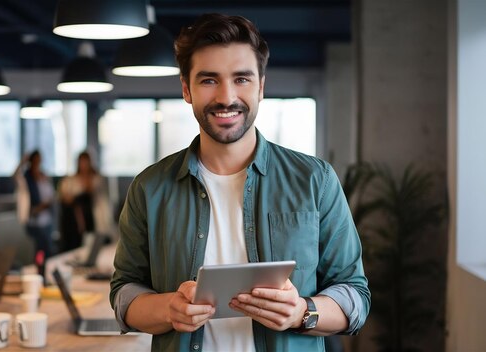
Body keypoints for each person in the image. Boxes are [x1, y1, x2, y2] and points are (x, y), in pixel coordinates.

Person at [110, 13, 370, 352]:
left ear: (261, 87)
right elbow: (125, 292)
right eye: (208, 80)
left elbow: (355, 296)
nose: (226, 97)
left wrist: (302, 313)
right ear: (186, 89)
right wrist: (167, 308)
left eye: (242, 79)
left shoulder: (315, 180)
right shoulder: (149, 187)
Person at [58, 151, 113, 251]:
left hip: (92, 218)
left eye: (86, 163)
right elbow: (65, 197)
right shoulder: (71, 180)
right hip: (75, 222)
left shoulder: (96, 179)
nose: (84, 166)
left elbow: (91, 191)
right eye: (82, 163)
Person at [13, 151, 55, 263]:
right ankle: (40, 270)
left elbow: (51, 196)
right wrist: (22, 162)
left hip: (46, 219)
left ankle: (46, 269)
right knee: (41, 249)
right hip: (34, 219)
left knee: (48, 249)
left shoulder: (44, 176)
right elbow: (14, 176)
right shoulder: (27, 178)